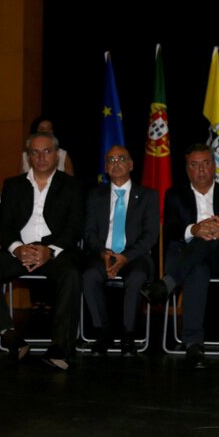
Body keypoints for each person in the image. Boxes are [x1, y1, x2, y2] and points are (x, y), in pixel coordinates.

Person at [0, 132, 84, 370]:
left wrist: (49, 251)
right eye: (35, 152)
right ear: (28, 157)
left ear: (57, 155)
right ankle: (10, 336)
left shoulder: (72, 186)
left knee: (72, 274)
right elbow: (4, 227)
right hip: (20, 249)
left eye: (46, 151)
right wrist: (17, 249)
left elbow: (74, 227)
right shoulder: (13, 185)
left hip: (55, 252)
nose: (41, 156)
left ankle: (60, 347)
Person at [141, 143, 219, 369]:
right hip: (189, 261)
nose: (201, 170)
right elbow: (170, 229)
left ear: (214, 166)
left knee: (208, 240)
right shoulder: (175, 195)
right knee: (197, 268)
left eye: (206, 163)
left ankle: (166, 284)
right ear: (187, 169)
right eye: (194, 165)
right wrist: (194, 230)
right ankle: (194, 345)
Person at [82, 145, 159, 355]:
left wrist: (125, 257)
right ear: (106, 167)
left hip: (135, 256)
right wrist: (103, 253)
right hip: (102, 254)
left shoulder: (148, 195)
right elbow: (88, 232)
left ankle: (128, 336)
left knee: (136, 278)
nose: (116, 164)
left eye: (121, 159)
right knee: (89, 276)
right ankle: (102, 333)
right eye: (111, 160)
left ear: (131, 165)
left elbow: (151, 235)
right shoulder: (94, 195)